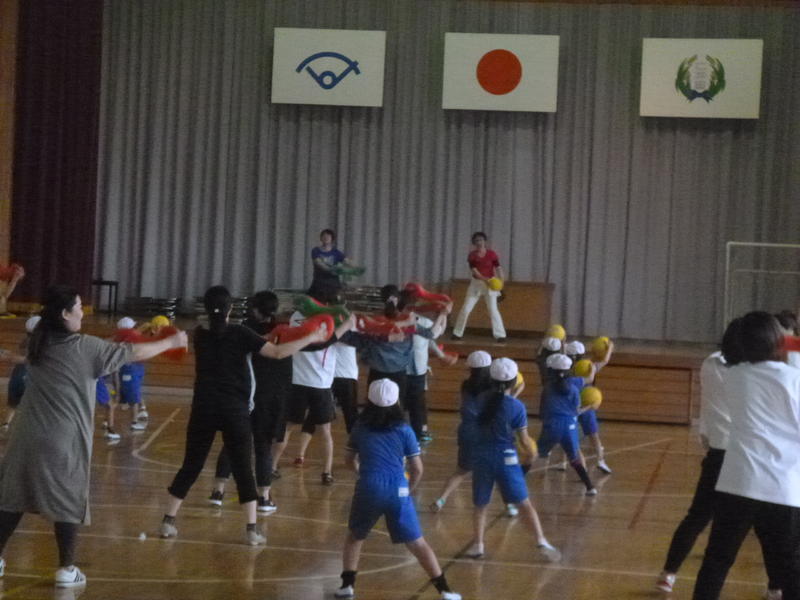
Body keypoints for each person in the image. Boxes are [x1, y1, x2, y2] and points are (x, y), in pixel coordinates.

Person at [0, 285, 186, 587]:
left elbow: (103, 349)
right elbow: (134, 353)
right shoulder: (85, 347)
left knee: (12, 497)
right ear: (65, 314)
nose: (82, 314)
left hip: (25, 433)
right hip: (64, 437)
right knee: (68, 498)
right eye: (78, 308)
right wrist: (171, 341)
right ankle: (66, 569)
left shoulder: (39, 342)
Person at [159, 286, 328, 545]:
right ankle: (251, 529)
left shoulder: (200, 335)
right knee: (242, 468)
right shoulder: (239, 333)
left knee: (191, 464)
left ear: (206, 309)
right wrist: (311, 336)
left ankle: (168, 521)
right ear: (231, 309)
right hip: (234, 410)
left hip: (203, 408)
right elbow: (278, 352)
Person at [692, 312, 799, 600]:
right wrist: (789, 343)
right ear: (776, 340)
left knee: (716, 561)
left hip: (738, 482)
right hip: (783, 487)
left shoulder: (735, 376)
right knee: (791, 568)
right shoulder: (794, 378)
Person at [334, 378, 461, 600]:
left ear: (369, 400)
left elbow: (348, 459)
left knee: (355, 537)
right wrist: (408, 489)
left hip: (368, 487)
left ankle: (347, 587)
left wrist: (361, 473)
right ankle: (445, 591)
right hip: (397, 489)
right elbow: (417, 469)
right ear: (396, 402)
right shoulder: (405, 430)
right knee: (417, 543)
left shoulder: (360, 428)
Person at [460, 358, 561, 561]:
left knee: (481, 505)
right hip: (507, 457)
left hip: (482, 457)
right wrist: (531, 454)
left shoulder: (481, 401)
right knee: (524, 503)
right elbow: (524, 439)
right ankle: (541, 540)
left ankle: (478, 545)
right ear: (514, 382)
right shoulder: (517, 407)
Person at [209, 291, 293, 513]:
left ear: (254, 308)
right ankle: (264, 497)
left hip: (244, 395)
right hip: (270, 399)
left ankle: (218, 491)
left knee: (232, 443)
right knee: (263, 448)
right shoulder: (285, 332)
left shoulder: (242, 330)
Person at [270, 282, 355, 485]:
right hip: (320, 383)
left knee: (288, 427)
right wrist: (348, 324)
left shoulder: (295, 317)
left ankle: (271, 466)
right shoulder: (328, 320)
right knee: (325, 431)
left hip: (297, 380)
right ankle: (327, 472)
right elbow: (332, 341)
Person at [430, 350, 516, 516]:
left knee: (461, 470)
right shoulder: (493, 390)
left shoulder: (466, 385)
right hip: (486, 433)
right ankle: (509, 505)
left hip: (466, 431)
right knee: (497, 471)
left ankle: (441, 499)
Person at [535, 353, 598, 495]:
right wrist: (589, 407)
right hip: (570, 427)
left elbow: (542, 412)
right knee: (574, 459)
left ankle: (518, 480)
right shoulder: (574, 387)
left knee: (535, 454)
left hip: (552, 425)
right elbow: (576, 411)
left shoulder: (547, 388)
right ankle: (590, 487)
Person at [565, 339, 614, 474]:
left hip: (572, 406)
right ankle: (601, 461)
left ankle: (572, 465)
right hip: (587, 403)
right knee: (594, 435)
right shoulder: (589, 366)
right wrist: (610, 347)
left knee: (571, 437)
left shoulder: (566, 370)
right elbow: (605, 360)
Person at [451, 232, 506, 342]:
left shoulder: (491, 254)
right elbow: (475, 272)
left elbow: (498, 268)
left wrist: (501, 283)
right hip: (476, 284)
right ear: (474, 243)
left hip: (490, 284)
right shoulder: (472, 256)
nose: (479, 242)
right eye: (476, 241)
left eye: (481, 240)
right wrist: (487, 280)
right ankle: (457, 333)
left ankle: (500, 335)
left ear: (485, 241)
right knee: (466, 309)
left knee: (493, 310)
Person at [1, 315, 40, 428]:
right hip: (25, 374)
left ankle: (7, 423)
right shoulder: (38, 342)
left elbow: (23, 358)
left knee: (14, 401)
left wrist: (8, 356)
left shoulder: (30, 342)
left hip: (22, 374)